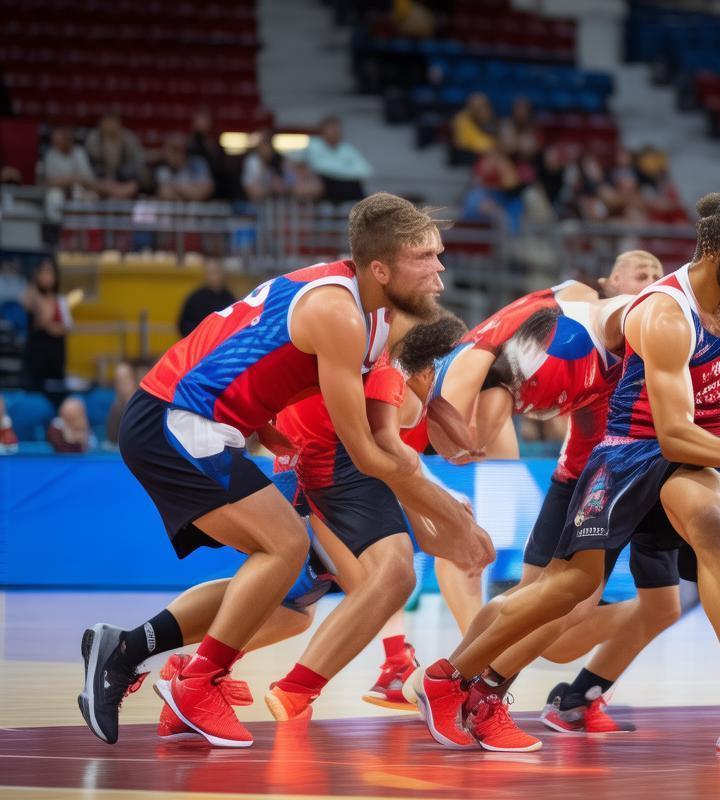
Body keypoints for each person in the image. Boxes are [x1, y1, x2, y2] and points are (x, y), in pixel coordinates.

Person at [412, 191, 720, 755]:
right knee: (567, 591)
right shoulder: (662, 313)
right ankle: (454, 680)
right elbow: (671, 434)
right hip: (633, 453)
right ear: (712, 249)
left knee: (713, 533)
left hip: (693, 454)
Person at [77, 193, 469, 749]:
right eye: (425, 256)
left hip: (195, 421)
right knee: (287, 550)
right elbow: (365, 452)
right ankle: (198, 682)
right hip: (178, 419)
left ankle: (132, 651)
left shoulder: (359, 305)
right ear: (381, 269)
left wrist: (262, 421)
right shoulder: (340, 312)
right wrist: (450, 516)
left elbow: (254, 344)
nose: (440, 268)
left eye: (439, 254)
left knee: (287, 590)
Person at [115, 314, 491, 739]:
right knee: (379, 578)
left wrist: (448, 520)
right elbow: (399, 465)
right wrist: (453, 520)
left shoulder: (384, 370)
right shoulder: (389, 381)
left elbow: (413, 467)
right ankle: (313, 681)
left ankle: (186, 670)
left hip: (302, 473)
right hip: (317, 479)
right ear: (429, 370)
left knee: (290, 608)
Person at [21, 257, 71, 393]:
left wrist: (51, 326)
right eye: (43, 272)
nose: (47, 276)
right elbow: (44, 317)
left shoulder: (60, 300)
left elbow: (66, 327)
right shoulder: (31, 294)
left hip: (55, 356)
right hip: (36, 358)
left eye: (50, 272)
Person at [302, 117, 372, 204]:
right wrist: (346, 170)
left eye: (337, 130)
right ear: (323, 131)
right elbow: (318, 166)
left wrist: (339, 173)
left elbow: (365, 170)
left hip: (348, 184)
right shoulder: (314, 146)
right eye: (331, 130)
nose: (334, 133)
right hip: (325, 184)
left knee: (358, 189)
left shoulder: (347, 148)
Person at [84, 112, 149, 199]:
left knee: (133, 186)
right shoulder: (93, 139)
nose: (111, 126)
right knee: (91, 189)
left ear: (119, 124)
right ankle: (113, 194)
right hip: (100, 181)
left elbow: (139, 162)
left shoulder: (128, 138)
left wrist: (125, 183)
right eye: (108, 123)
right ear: (101, 124)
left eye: (113, 122)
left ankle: (116, 194)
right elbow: (88, 165)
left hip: (124, 181)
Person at [177, 260, 236, 338]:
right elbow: (184, 324)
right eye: (210, 273)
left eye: (216, 272)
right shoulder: (196, 298)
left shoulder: (229, 297)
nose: (214, 277)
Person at [154, 133, 215, 202]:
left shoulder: (196, 165)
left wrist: (176, 188)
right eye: (166, 151)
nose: (168, 155)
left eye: (173, 151)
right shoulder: (163, 170)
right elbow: (165, 194)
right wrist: (190, 191)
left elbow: (204, 192)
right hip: (176, 208)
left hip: (200, 208)